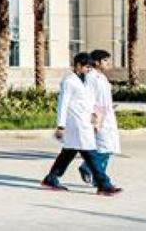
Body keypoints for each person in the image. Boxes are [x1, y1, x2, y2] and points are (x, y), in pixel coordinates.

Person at [41, 52, 122, 195]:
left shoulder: (84, 80)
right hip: (75, 122)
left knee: (68, 152)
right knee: (90, 153)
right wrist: (61, 125)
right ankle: (104, 184)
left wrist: (95, 114)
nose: (88, 70)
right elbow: (63, 103)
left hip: (84, 121)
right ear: (78, 65)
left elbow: (89, 100)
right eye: (86, 67)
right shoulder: (69, 81)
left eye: (90, 67)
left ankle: (51, 178)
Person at [79, 50, 121, 186]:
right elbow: (88, 98)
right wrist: (93, 116)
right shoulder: (91, 77)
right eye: (105, 60)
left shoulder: (101, 77)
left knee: (107, 148)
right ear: (96, 62)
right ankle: (87, 168)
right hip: (98, 116)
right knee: (105, 147)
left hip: (106, 115)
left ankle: (98, 179)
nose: (108, 63)